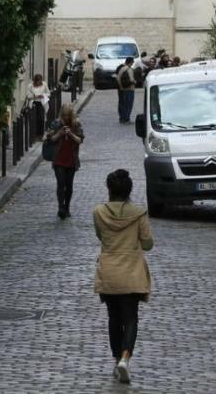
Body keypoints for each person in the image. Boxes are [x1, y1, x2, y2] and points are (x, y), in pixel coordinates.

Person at [93, 169, 154, 385]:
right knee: (130, 318)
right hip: (131, 273)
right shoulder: (139, 213)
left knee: (113, 318)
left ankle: (117, 358)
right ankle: (126, 358)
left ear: (109, 189)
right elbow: (147, 243)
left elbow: (100, 235)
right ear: (129, 190)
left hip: (109, 271)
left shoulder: (99, 212)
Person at [45, 103, 84, 219]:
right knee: (60, 183)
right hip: (59, 158)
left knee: (69, 185)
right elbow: (51, 139)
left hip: (71, 159)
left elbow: (80, 140)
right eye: (64, 115)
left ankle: (67, 207)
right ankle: (60, 207)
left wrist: (70, 134)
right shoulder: (56, 123)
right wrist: (60, 133)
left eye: (68, 116)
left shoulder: (76, 124)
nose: (66, 118)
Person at [116, 57, 137, 123]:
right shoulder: (129, 69)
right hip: (129, 89)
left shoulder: (121, 68)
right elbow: (131, 80)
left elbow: (117, 78)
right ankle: (126, 118)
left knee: (122, 104)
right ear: (131, 62)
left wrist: (121, 86)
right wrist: (135, 82)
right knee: (128, 104)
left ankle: (122, 118)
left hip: (121, 89)